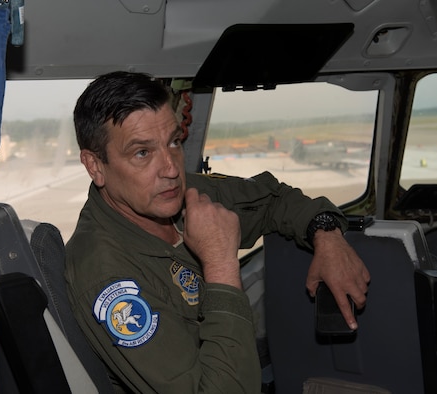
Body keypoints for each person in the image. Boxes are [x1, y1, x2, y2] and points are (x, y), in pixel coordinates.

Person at [65, 71, 370, 393]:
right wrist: (220, 262)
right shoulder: (107, 278)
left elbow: (275, 199)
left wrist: (327, 235)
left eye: (174, 143)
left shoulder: (179, 195)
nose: (171, 169)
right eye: (142, 153)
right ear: (95, 165)